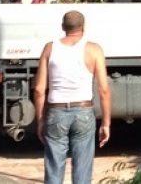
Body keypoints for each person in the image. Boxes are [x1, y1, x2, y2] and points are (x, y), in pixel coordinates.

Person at [33, 10, 112, 184]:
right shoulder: (94, 49)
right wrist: (106, 123)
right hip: (83, 111)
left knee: (54, 167)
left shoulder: (50, 48)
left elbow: (39, 89)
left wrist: (40, 120)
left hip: (56, 112)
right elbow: (104, 90)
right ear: (83, 27)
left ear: (63, 27)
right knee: (82, 169)